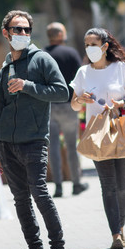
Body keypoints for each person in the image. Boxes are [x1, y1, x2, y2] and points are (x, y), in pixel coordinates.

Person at [0, 10, 68, 249]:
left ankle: (58, 246)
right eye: (17, 29)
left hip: (34, 141)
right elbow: (0, 110)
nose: (23, 33)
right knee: (21, 199)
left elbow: (62, 92)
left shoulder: (42, 59)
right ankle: (35, 248)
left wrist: (28, 86)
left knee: (40, 193)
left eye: (27, 30)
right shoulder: (5, 68)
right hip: (7, 145)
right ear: (6, 33)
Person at [70, 28, 125, 249]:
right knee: (107, 185)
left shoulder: (120, 69)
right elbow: (74, 105)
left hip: (121, 130)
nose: (90, 48)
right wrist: (79, 99)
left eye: (94, 43)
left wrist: (123, 103)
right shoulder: (82, 73)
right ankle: (116, 233)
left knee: (121, 184)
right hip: (96, 135)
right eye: (86, 44)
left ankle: (121, 227)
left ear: (105, 46)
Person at [44, 22, 89, 198]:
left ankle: (58, 185)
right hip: (70, 104)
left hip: (49, 105)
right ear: (62, 34)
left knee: (52, 146)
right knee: (71, 145)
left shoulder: (42, 55)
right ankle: (76, 183)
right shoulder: (70, 53)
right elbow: (80, 77)